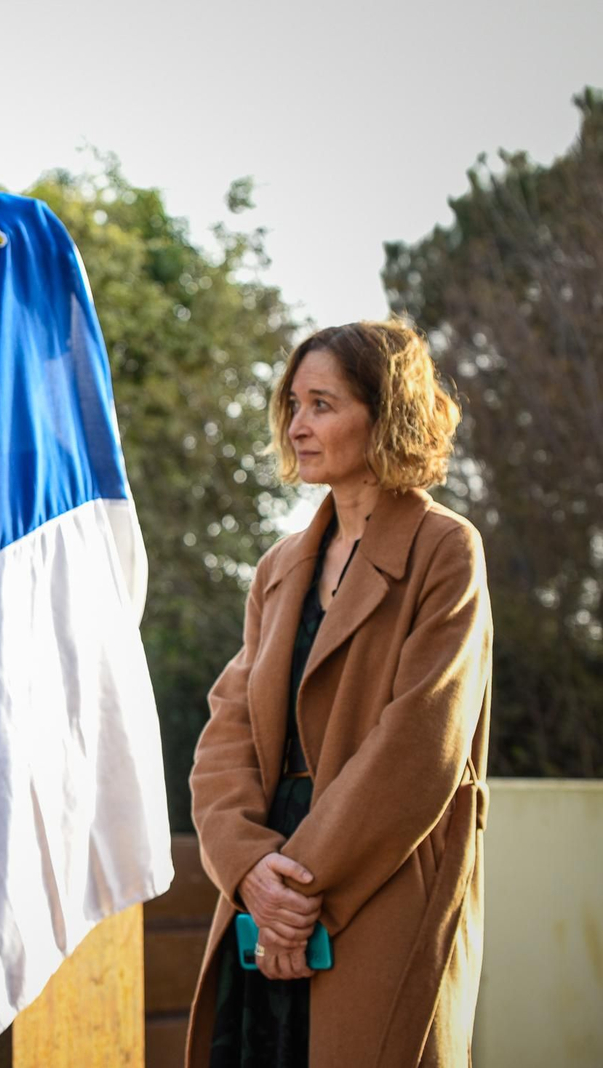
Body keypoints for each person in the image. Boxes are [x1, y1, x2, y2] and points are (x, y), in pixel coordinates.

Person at [186, 320, 493, 1067]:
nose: (296, 427)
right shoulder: (278, 566)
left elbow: (420, 745)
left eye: (322, 404)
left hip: (375, 879)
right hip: (267, 882)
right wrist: (249, 870)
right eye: (293, 404)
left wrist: (299, 892)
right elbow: (227, 729)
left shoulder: (447, 550)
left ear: (386, 416)